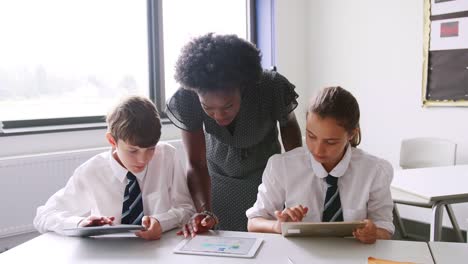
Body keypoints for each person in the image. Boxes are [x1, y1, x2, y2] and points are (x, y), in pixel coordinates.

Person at [165, 33, 302, 233]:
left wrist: (295, 190)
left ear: (243, 87)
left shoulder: (271, 87)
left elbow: (293, 150)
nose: (219, 115)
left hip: (267, 179)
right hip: (217, 181)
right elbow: (196, 163)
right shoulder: (187, 97)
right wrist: (204, 211)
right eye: (208, 108)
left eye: (227, 106)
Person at [33, 96, 195, 240]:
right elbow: (43, 216)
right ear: (112, 141)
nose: (143, 159)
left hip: (160, 251)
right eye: (133, 150)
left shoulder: (167, 156)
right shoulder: (91, 172)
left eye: (151, 148)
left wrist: (162, 222)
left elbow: (187, 209)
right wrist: (81, 223)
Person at [246, 86, 394, 244]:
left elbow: (385, 227)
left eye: (330, 142)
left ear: (351, 134)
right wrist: (278, 226)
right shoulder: (281, 166)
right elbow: (254, 222)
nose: (317, 149)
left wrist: (374, 233)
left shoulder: (375, 170)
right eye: (311, 136)